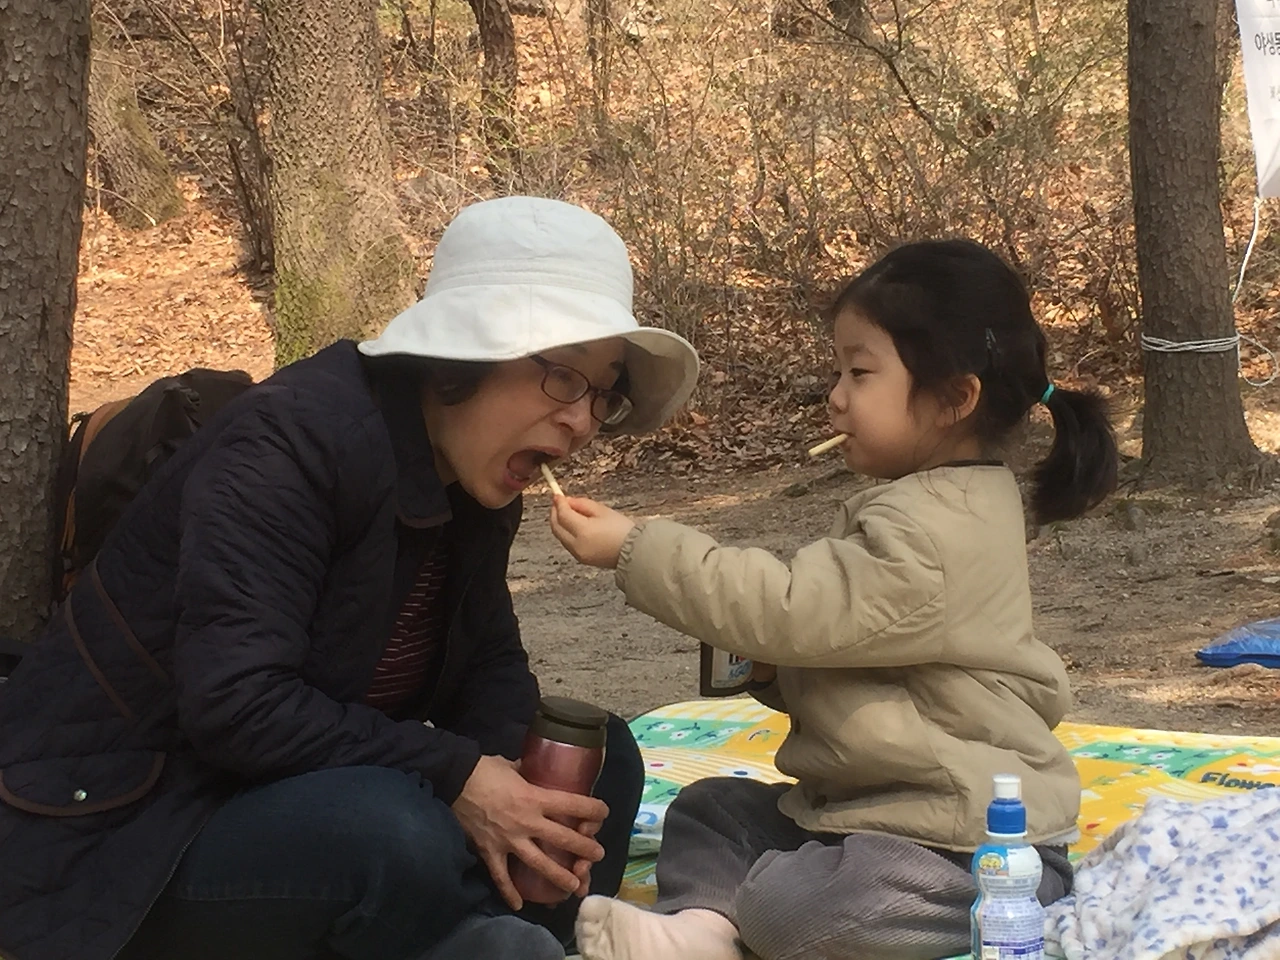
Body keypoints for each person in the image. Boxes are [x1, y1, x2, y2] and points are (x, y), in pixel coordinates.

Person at [0, 196, 699, 960]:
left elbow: (487, 668)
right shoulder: (290, 444)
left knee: (597, 763)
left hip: (288, 790)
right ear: (466, 354)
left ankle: (510, 944)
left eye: (602, 393)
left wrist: (526, 791)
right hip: (129, 826)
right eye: (564, 376)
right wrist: (459, 775)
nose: (583, 421)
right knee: (392, 827)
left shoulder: (477, 476)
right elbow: (236, 703)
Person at [548, 239, 1118, 960]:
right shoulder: (924, 505)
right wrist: (773, 673)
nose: (836, 397)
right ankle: (699, 933)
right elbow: (854, 653)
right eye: (837, 371)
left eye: (860, 372)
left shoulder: (937, 529)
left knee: (793, 906)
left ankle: (980, 901)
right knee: (713, 809)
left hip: (961, 839)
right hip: (867, 812)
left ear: (954, 398)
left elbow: (790, 611)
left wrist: (636, 548)